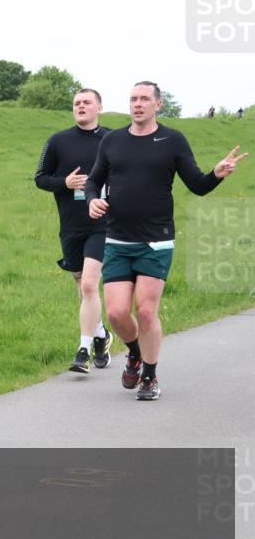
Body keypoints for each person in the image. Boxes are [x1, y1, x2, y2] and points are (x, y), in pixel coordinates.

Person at [85, 81, 247, 400]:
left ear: (158, 104)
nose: (137, 104)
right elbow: (93, 181)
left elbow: (197, 185)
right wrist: (92, 200)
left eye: (145, 99)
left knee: (146, 312)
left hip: (156, 242)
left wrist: (216, 174)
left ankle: (149, 375)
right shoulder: (112, 141)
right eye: (133, 99)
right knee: (116, 313)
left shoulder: (173, 140)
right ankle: (135, 353)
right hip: (117, 239)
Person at [35, 89, 113, 374]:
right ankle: (101, 334)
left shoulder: (113, 139)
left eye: (87, 102)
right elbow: (40, 178)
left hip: (103, 224)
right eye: (77, 103)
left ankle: (83, 351)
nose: (81, 106)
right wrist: (64, 183)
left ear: (99, 107)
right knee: (82, 287)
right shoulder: (58, 141)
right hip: (71, 225)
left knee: (90, 285)